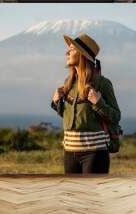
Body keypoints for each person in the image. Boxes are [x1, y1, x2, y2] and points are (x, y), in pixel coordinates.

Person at [50, 33, 121, 174]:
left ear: (82, 55)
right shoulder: (68, 83)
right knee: (72, 194)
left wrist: (98, 102)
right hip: (69, 152)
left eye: (72, 49)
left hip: (95, 153)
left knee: (91, 195)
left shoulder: (102, 83)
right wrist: (55, 102)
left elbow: (116, 116)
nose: (67, 52)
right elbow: (72, 118)